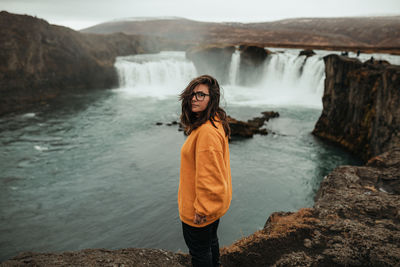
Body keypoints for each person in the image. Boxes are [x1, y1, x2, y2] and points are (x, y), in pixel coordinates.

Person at [178, 74, 232, 267]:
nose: (194, 98)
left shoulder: (206, 132)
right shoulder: (215, 122)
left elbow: (210, 175)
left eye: (201, 95)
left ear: (212, 99)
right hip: (212, 207)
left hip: (198, 210)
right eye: (192, 94)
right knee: (210, 243)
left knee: (200, 254)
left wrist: (202, 209)